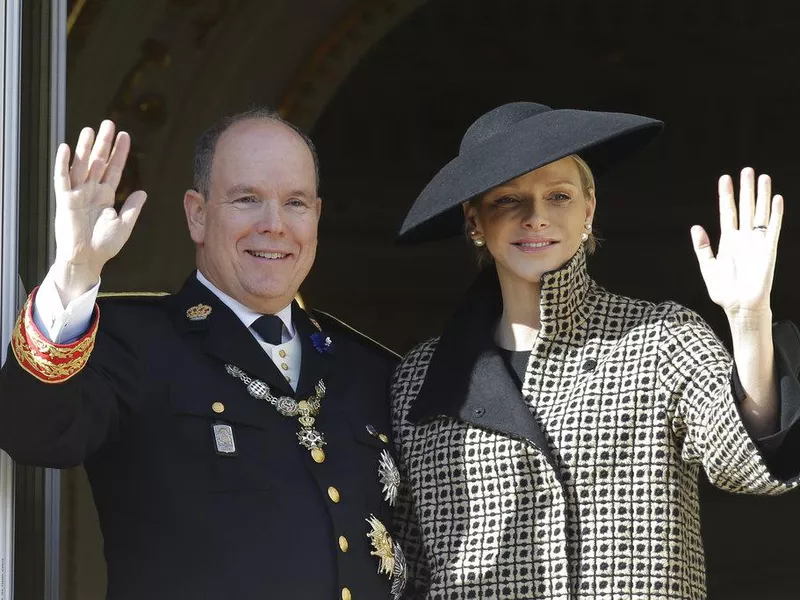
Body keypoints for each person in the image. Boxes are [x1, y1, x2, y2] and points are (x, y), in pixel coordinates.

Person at [390, 102, 800, 599]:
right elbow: (401, 569)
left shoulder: (661, 338)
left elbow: (745, 461)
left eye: (558, 196)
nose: (536, 217)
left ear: (588, 209)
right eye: (507, 201)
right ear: (474, 221)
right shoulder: (418, 379)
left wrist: (749, 319)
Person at [0, 108, 407, 599]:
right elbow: (34, 433)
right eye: (247, 199)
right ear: (197, 214)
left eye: (295, 202)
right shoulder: (134, 343)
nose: (274, 224)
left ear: (317, 217)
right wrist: (73, 273)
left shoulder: (368, 369)